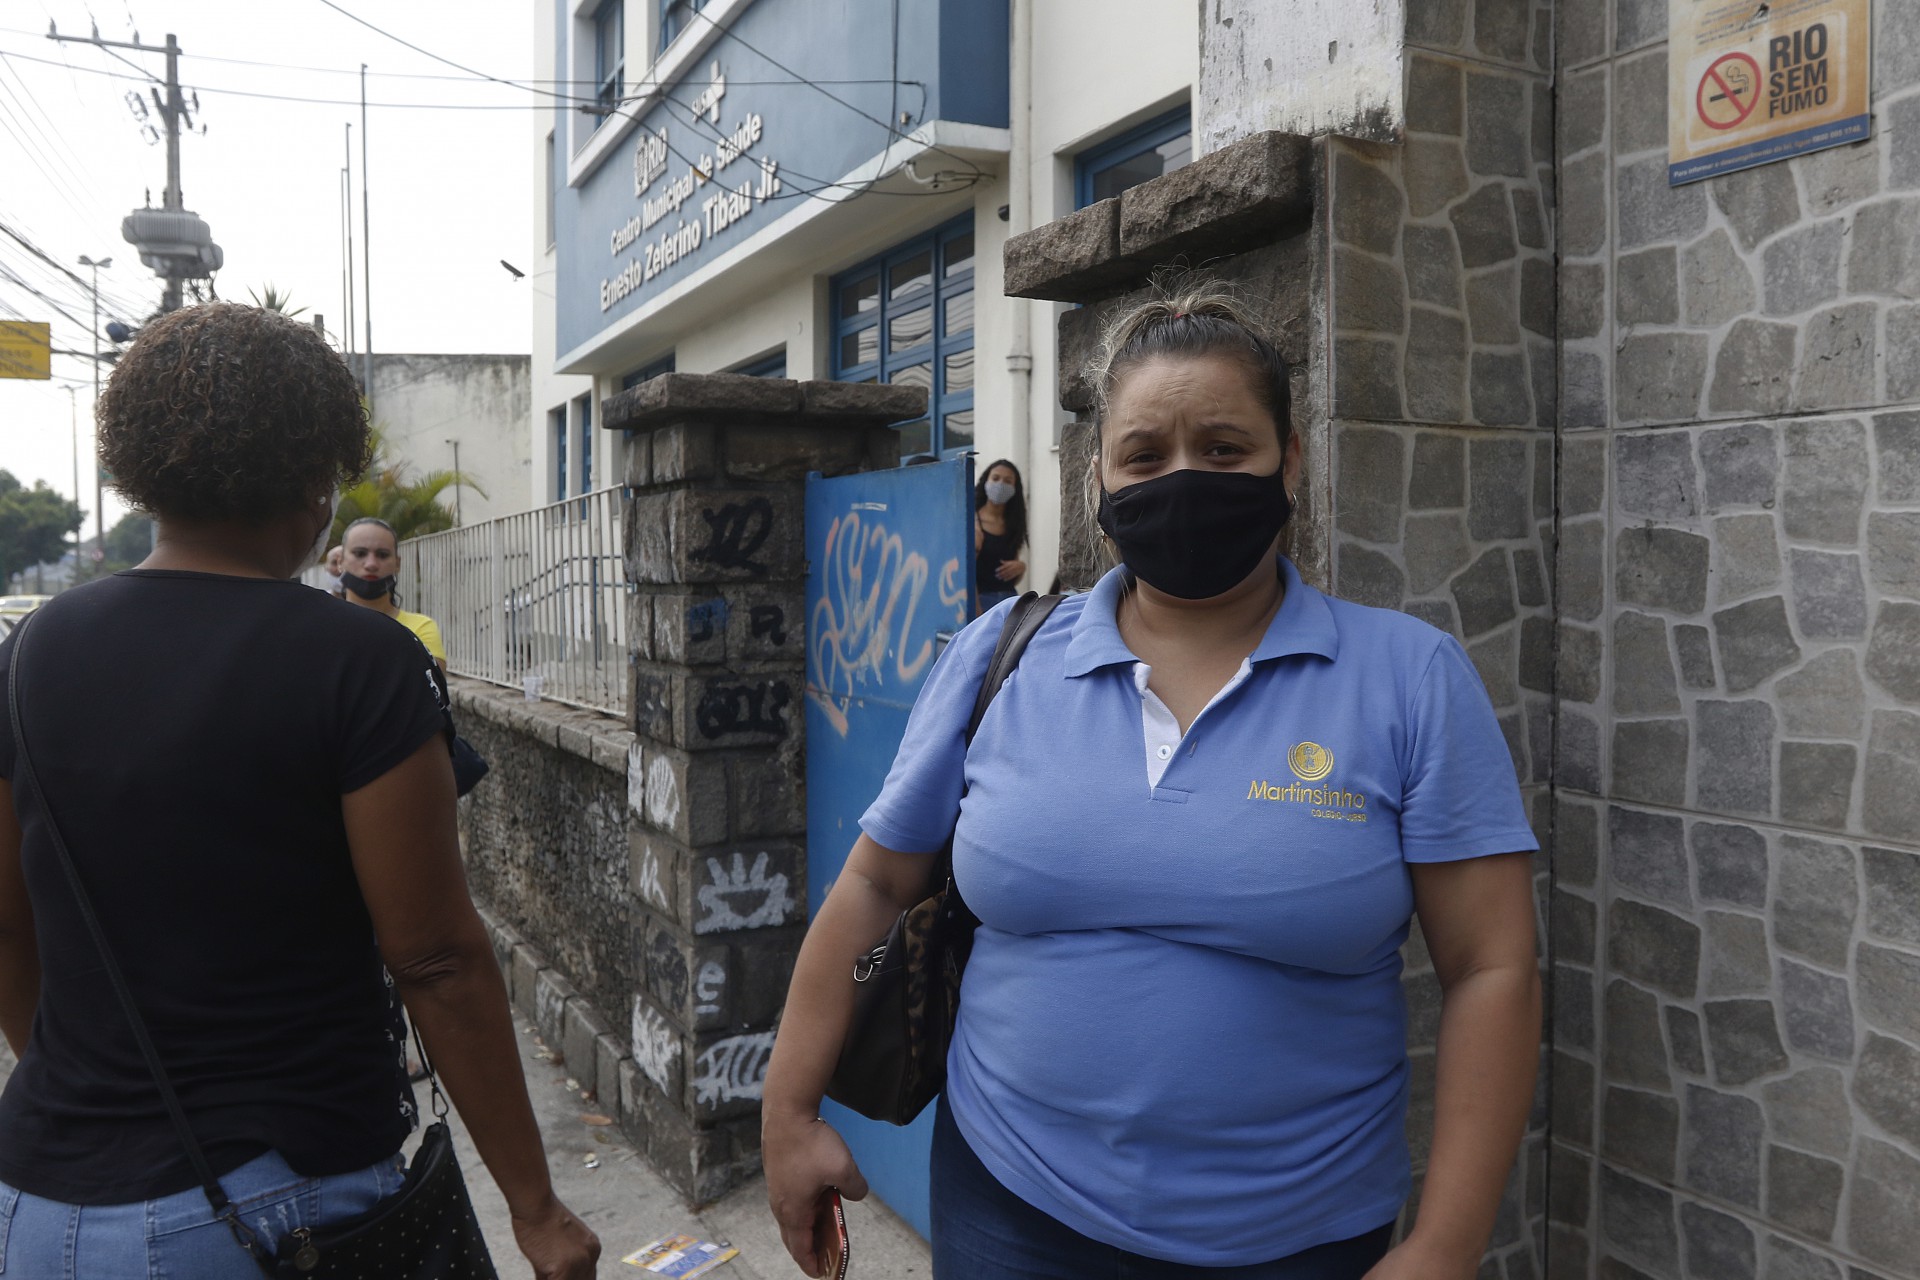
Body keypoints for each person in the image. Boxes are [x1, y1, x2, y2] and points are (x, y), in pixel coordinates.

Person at [763, 284, 1541, 1280]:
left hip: (1298, 1240)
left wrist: (1444, 1243)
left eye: (1224, 448)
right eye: (1146, 453)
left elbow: (1492, 967)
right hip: (1010, 1208)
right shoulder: (999, 659)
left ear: (1289, 460)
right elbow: (874, 885)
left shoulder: (1409, 679)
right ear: (1101, 476)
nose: (1184, 478)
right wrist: (787, 1114)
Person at [0, 303, 599, 1279]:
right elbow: (438, 956)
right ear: (315, 477)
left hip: (42, 1210)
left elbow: (8, 927)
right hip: (281, 1209)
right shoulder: (359, 659)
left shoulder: (27, 655)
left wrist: (98, 1100)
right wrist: (536, 1208)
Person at [338, 516, 447, 671]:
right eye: (360, 553)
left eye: (382, 555)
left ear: (398, 564)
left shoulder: (421, 628)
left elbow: (431, 689)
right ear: (340, 562)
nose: (371, 564)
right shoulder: (322, 625)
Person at [973, 459, 1027, 616]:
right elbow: (968, 575)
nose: (1000, 484)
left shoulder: (1014, 523)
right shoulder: (972, 521)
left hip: (1010, 602)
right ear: (986, 481)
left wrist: (1021, 567)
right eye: (995, 478)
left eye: (1007, 481)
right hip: (981, 603)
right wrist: (977, 613)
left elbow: (1010, 577)